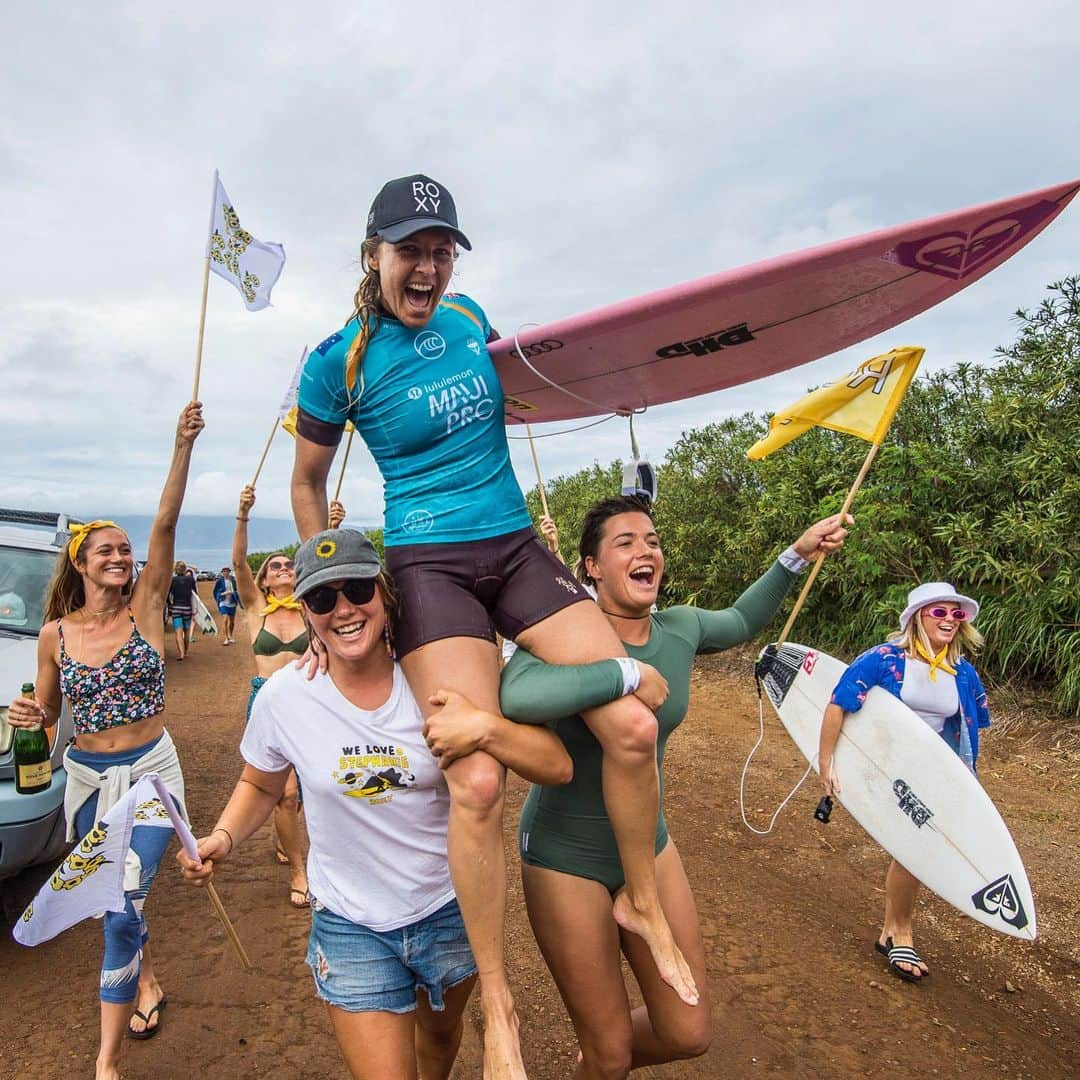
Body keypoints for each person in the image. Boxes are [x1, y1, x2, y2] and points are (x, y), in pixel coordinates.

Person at [290, 174, 698, 1076]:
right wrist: (324, 601)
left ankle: (641, 901)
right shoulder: (339, 360)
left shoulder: (470, 315)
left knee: (631, 724)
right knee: (473, 783)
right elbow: (307, 485)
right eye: (412, 250)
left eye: (441, 249)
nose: (429, 266)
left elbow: (538, 390)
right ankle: (500, 1005)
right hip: (428, 566)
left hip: (516, 546)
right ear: (373, 256)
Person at [424, 496, 849, 1076]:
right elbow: (518, 696)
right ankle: (602, 1055)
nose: (645, 550)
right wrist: (622, 672)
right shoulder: (557, 635)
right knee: (610, 1053)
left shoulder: (681, 628)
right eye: (624, 542)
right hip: (563, 859)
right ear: (590, 567)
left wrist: (797, 553)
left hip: (649, 849)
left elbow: (743, 620)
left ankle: (606, 1048)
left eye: (651, 541)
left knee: (688, 1030)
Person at [177, 528, 571, 1079]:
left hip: (449, 908)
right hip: (350, 922)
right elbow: (261, 784)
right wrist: (222, 837)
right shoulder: (285, 697)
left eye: (357, 590)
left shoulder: (437, 680)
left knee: (438, 1042)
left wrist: (483, 727)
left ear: (384, 593)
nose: (343, 609)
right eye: (321, 598)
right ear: (306, 612)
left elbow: (555, 765)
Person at [6, 402, 204, 1080]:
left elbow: (168, 522)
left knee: (124, 900)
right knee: (115, 900)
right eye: (106, 551)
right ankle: (144, 978)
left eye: (125, 549)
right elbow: (50, 710)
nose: (121, 556)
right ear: (81, 565)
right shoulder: (55, 635)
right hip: (90, 780)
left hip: (151, 774)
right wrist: (31, 719)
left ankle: (105, 1061)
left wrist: (181, 446)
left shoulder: (147, 606)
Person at [818, 581, 990, 983]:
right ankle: (901, 933)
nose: (950, 620)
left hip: (931, 771)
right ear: (917, 618)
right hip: (884, 766)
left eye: (956, 614)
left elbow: (971, 726)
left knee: (916, 848)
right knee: (912, 849)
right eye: (940, 613)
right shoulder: (884, 658)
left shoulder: (961, 671)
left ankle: (890, 931)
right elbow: (839, 703)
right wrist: (825, 763)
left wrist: (965, 781)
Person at [229, 483, 346, 908]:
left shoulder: (312, 610)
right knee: (286, 793)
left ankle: (300, 843)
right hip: (268, 702)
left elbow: (321, 556)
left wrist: (330, 527)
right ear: (264, 578)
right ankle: (299, 869)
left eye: (288, 564)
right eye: (275, 565)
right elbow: (238, 561)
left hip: (314, 700)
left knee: (321, 784)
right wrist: (243, 515)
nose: (282, 567)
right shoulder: (255, 608)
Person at [167, 560, 196, 659]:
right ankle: (186, 652)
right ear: (184, 569)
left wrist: (169, 605)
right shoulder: (190, 579)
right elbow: (195, 594)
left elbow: (168, 595)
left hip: (176, 609)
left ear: (175, 569)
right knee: (187, 631)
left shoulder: (172, 580)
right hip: (187, 608)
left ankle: (181, 654)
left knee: (178, 632)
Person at [213, 566, 239, 644]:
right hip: (223, 602)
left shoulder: (233, 580)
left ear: (229, 572)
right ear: (222, 572)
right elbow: (215, 592)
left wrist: (233, 593)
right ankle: (226, 638)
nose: (225, 572)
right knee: (225, 619)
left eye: (227, 571)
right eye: (224, 571)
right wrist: (222, 594)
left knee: (232, 621)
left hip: (232, 602)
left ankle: (230, 636)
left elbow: (237, 590)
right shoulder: (219, 581)